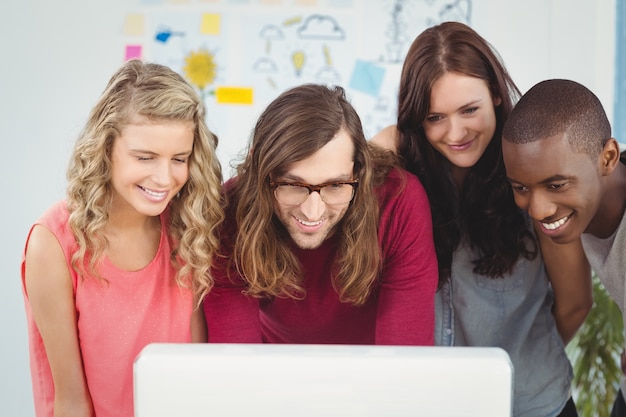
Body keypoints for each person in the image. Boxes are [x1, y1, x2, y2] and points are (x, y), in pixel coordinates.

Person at [370, 22, 591, 416]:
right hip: (432, 404)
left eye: (469, 110)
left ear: (494, 95)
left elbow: (575, 302)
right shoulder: (398, 164)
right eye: (435, 117)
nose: (455, 132)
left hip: (529, 404)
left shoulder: (533, 169)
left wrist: (518, 361)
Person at [21, 59, 224, 417]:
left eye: (179, 159)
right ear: (106, 147)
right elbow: (70, 399)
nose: (164, 178)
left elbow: (197, 372)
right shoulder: (54, 242)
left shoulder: (187, 230)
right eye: (145, 157)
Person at [200, 83, 438, 345]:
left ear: (358, 170)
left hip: (372, 368)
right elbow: (236, 359)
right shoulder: (229, 210)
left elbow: (404, 357)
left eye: (335, 185)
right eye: (292, 185)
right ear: (260, 170)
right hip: (273, 366)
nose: (313, 212)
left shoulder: (399, 201)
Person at [501, 78, 626, 416]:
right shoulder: (582, 208)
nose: (538, 210)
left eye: (556, 185)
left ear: (608, 158)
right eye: (520, 187)